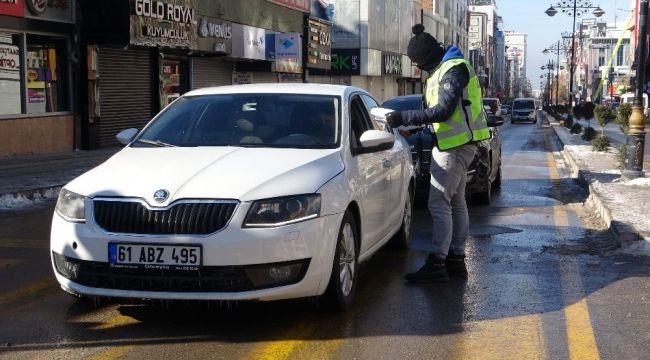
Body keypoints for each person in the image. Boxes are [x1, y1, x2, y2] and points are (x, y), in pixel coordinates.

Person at [386, 24, 491, 283]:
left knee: (438, 203)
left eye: (419, 64)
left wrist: (404, 116)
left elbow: (444, 110)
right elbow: (445, 117)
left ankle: (438, 262)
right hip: (455, 144)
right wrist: (416, 128)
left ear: (426, 59)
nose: (420, 70)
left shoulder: (453, 69)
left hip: (454, 148)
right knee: (456, 202)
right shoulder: (445, 69)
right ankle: (456, 261)